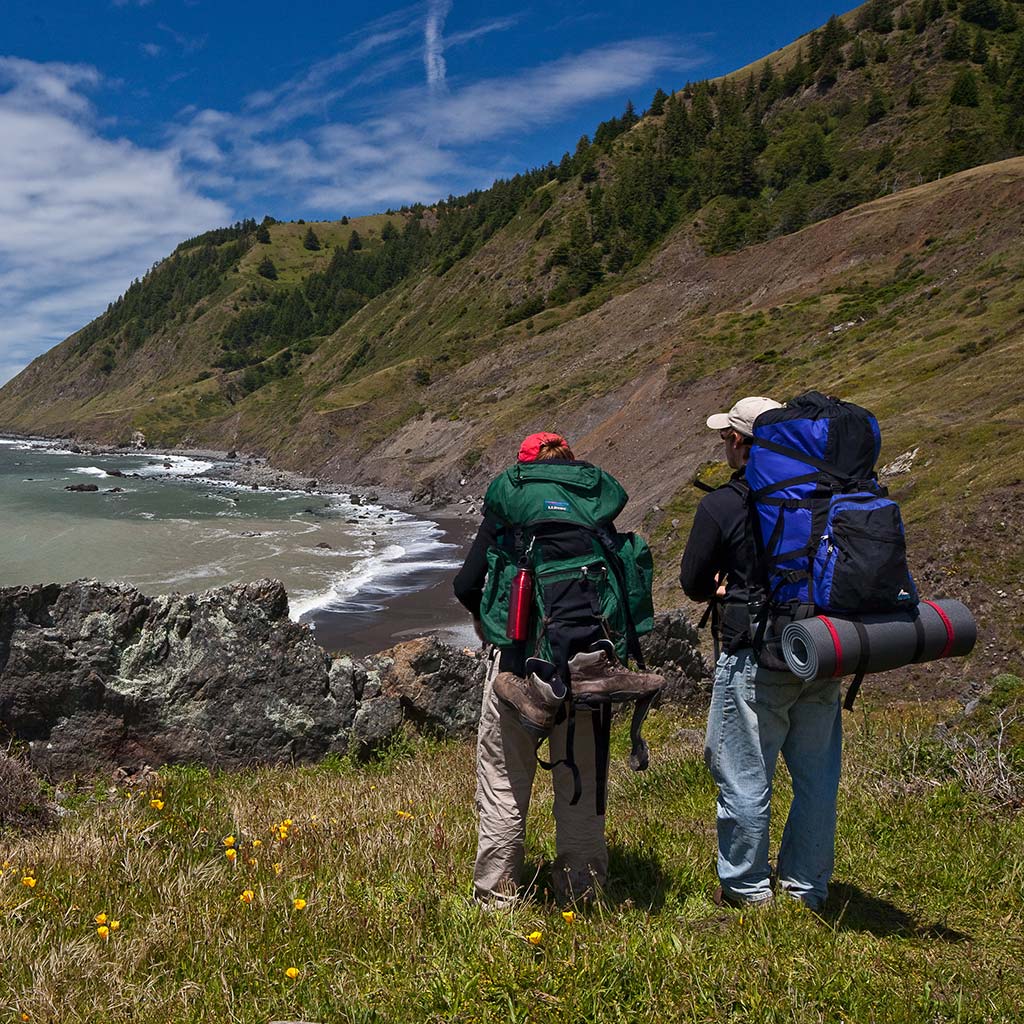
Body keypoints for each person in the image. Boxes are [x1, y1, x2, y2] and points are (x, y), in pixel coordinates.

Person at [454, 432, 660, 906]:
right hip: (591, 669)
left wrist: (493, 622)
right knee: (582, 783)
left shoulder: (510, 517)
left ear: (523, 470)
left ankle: (498, 897)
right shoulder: (595, 513)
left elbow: (467, 584)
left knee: (505, 782)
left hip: (518, 672)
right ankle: (582, 890)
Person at [680, 397, 842, 911]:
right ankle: (806, 888)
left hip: (756, 654)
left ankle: (748, 890)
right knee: (817, 779)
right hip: (821, 649)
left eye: (726, 436)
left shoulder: (723, 504)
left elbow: (692, 582)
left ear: (738, 443)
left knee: (746, 774)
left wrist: (725, 589)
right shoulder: (824, 494)